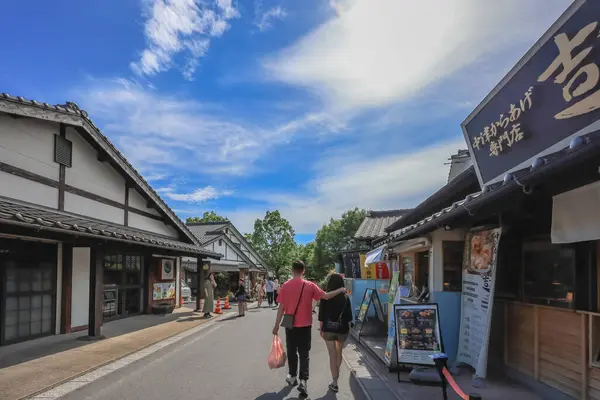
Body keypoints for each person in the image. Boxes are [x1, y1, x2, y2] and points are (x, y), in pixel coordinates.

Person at [272, 260, 346, 396]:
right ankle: (303, 381)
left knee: (292, 352)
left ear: (292, 270)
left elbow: (281, 308)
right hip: (305, 326)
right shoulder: (310, 285)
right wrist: (341, 290)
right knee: (304, 355)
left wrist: (276, 325)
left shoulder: (285, 286)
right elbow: (326, 296)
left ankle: (292, 376)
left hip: (290, 326)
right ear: (303, 270)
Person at [318, 273, 353, 393]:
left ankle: (334, 381)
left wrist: (321, 329)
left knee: (332, 354)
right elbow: (349, 317)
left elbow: (321, 316)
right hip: (342, 329)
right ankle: (336, 377)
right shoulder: (346, 298)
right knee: (339, 352)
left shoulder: (325, 297)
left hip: (328, 329)